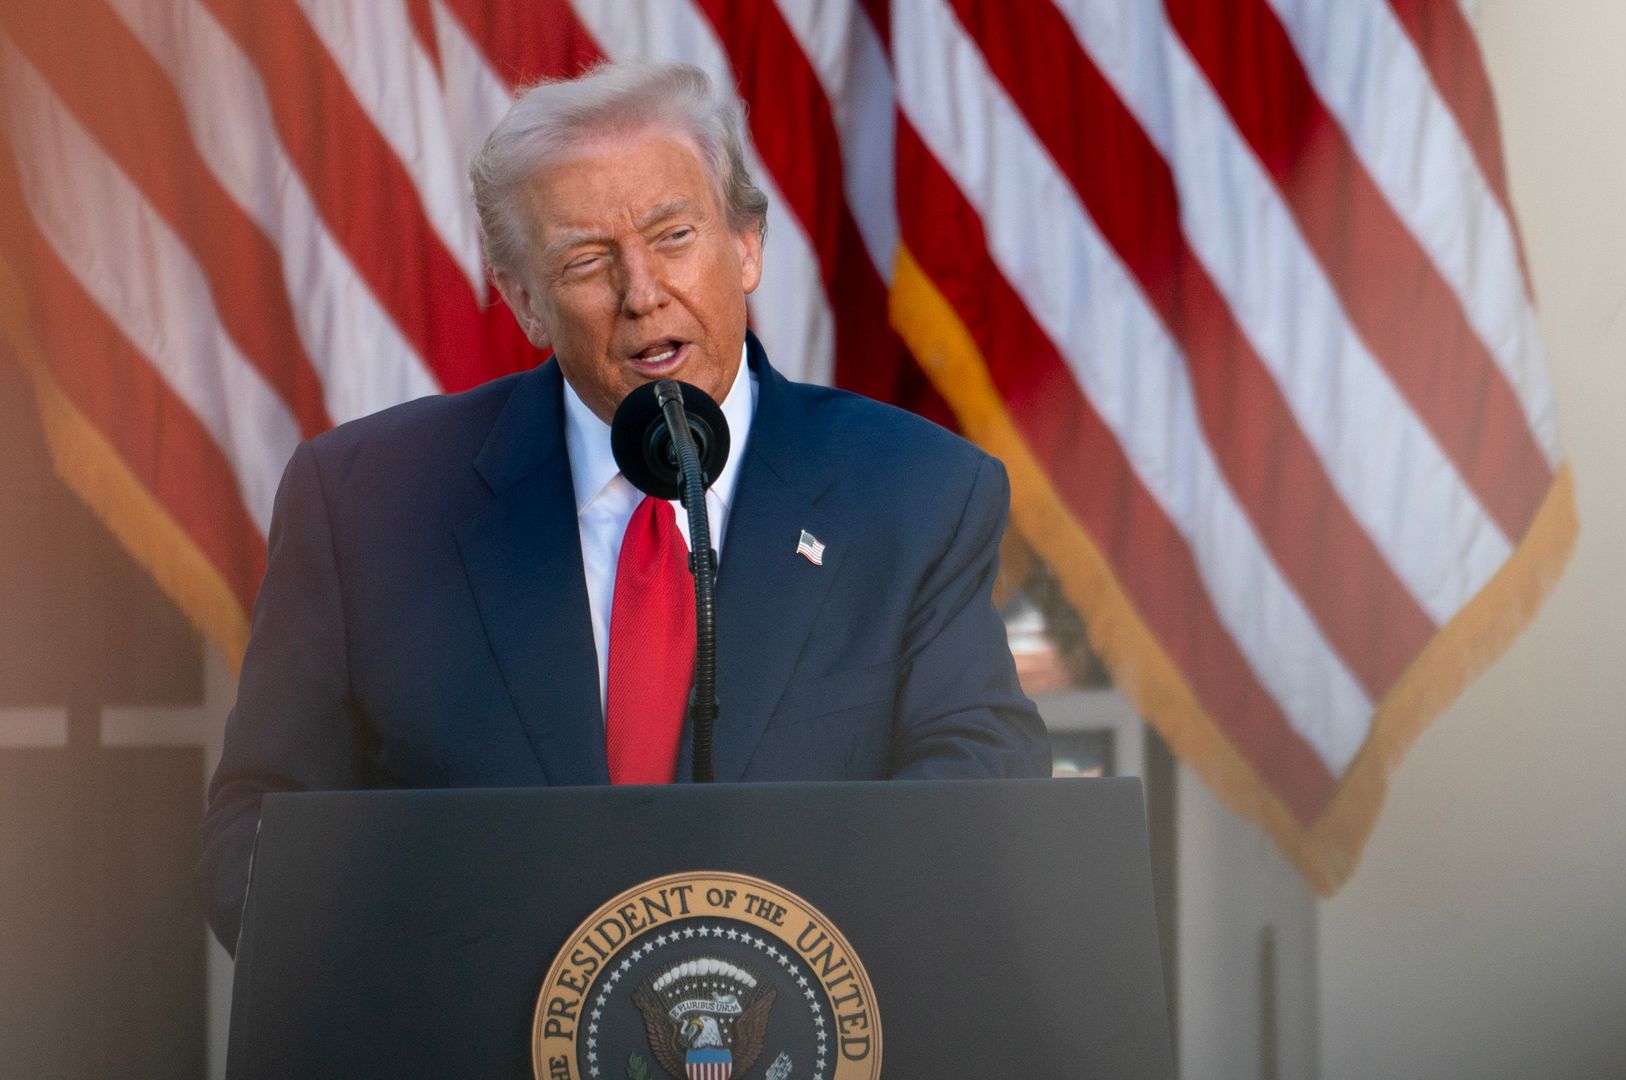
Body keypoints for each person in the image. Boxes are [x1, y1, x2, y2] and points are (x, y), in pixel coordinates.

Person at [197, 60, 1050, 953]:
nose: (642, 293)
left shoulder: (914, 494)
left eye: (673, 236)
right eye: (586, 261)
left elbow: (982, 791)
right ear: (526, 300)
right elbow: (254, 840)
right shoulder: (365, 504)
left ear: (747, 245)